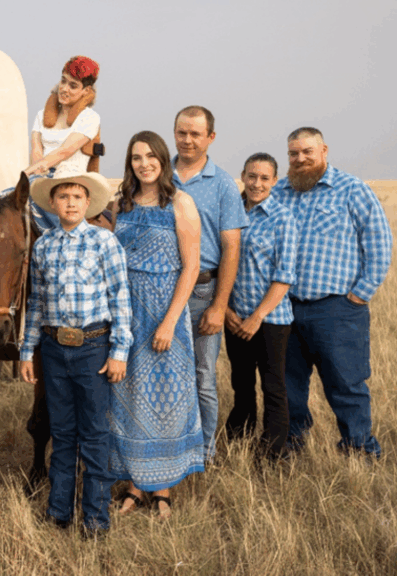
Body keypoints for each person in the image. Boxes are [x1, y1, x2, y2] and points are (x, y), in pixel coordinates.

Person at [18, 171, 130, 539]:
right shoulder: (44, 246)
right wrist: (27, 350)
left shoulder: (104, 242)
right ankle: (59, 511)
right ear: (53, 203)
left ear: (88, 203)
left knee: (95, 433)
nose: (69, 202)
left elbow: (120, 299)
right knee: (62, 433)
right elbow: (35, 303)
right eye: (63, 196)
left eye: (77, 197)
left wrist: (119, 351)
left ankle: (95, 519)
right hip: (53, 349)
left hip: (93, 347)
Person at [270, 127, 392, 457]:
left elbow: (379, 244)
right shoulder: (279, 191)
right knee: (288, 386)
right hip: (285, 309)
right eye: (293, 154)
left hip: (336, 309)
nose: (300, 159)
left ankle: (359, 451)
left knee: (346, 385)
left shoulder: (352, 189)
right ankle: (291, 447)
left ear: (324, 150)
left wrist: (360, 295)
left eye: (307, 152)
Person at [109, 131, 207, 519]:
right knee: (128, 399)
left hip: (165, 313)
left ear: (163, 160)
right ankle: (135, 485)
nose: (144, 163)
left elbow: (192, 266)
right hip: (126, 314)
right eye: (136, 157)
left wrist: (168, 323)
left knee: (165, 402)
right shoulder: (122, 204)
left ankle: (162, 487)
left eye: (151, 156)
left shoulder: (180, 203)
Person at [171, 105, 249, 460]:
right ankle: (171, 447)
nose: (187, 140)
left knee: (202, 376)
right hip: (163, 291)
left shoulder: (222, 185)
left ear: (210, 138)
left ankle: (204, 452)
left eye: (195, 134)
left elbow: (232, 246)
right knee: (164, 373)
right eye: (181, 132)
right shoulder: (157, 175)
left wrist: (219, 306)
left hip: (203, 292)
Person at [223, 153, 299, 460]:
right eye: (252, 176)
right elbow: (220, 264)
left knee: (273, 388)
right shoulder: (230, 213)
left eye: (264, 178)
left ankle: (273, 452)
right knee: (241, 384)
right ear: (243, 175)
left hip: (271, 320)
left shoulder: (283, 219)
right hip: (233, 317)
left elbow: (284, 276)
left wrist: (258, 316)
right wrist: (226, 311)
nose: (257, 183)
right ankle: (239, 438)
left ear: (274, 182)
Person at [25, 55, 102, 176]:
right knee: (1, 195)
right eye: (63, 81)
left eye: (73, 86)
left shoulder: (89, 118)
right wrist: (35, 174)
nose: (64, 89)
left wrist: (27, 171)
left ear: (86, 90)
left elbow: (65, 151)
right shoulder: (41, 115)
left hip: (69, 177)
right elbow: (36, 150)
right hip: (41, 174)